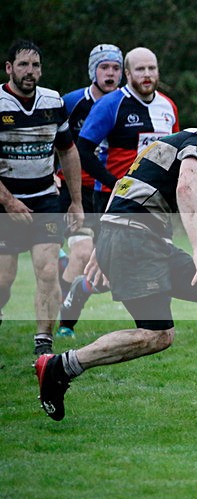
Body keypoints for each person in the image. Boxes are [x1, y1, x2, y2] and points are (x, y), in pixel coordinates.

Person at [34, 106, 197, 421]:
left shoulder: (177, 140)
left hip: (134, 238)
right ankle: (60, 366)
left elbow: (123, 185)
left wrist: (101, 246)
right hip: (136, 240)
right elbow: (186, 187)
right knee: (157, 332)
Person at [59, 47, 180, 331]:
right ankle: (84, 296)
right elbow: (83, 150)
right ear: (128, 74)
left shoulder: (168, 107)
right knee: (119, 268)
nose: (147, 75)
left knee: (158, 256)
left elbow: (172, 152)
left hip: (155, 203)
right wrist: (117, 184)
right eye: (140, 69)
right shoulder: (112, 104)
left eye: (152, 68)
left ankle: (151, 322)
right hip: (115, 201)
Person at [0, 40, 84, 354]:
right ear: (9, 68)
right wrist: (9, 202)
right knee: (3, 280)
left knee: (48, 270)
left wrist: (75, 201)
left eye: (35, 65)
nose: (30, 71)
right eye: (23, 64)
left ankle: (43, 345)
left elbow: (68, 151)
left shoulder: (53, 102)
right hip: (4, 203)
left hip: (45, 199)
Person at [55, 43, 124, 338]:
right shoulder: (71, 102)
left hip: (105, 192)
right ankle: (63, 321)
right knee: (83, 254)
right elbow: (47, 138)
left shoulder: (125, 104)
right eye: (104, 67)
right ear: (92, 71)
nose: (110, 73)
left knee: (104, 266)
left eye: (116, 68)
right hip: (71, 190)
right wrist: (50, 175)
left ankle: (64, 269)